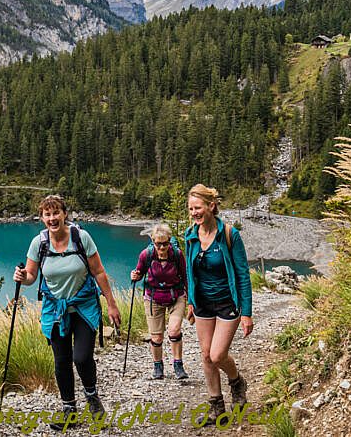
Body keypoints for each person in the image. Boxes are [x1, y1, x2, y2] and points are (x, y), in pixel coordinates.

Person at [14, 195, 122, 432]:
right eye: (47, 214)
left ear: (64, 214)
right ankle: (69, 410)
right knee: (61, 361)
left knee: (82, 358)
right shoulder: (39, 243)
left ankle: (92, 398)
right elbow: (31, 276)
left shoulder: (81, 238)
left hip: (83, 307)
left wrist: (111, 304)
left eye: (56, 213)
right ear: (42, 217)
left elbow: (99, 272)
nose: (52, 218)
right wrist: (23, 278)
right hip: (55, 310)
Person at [183, 183, 253, 423]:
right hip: (202, 304)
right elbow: (189, 271)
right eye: (191, 209)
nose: (194, 213)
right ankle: (217, 407)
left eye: (198, 207)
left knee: (217, 354)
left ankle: (236, 381)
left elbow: (243, 274)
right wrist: (191, 301)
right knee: (205, 355)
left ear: (211, 206)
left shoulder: (229, 235)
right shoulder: (190, 235)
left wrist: (247, 313)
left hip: (226, 303)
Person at [130, 223, 189, 380]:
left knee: (174, 331)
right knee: (156, 338)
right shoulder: (146, 255)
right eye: (158, 244)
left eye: (165, 243)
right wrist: (135, 276)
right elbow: (139, 272)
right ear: (153, 241)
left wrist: (191, 302)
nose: (162, 247)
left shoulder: (177, 254)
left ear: (170, 241)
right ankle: (158, 366)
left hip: (176, 296)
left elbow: (186, 277)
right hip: (153, 298)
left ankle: (178, 365)